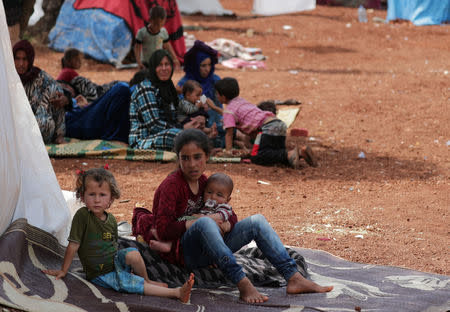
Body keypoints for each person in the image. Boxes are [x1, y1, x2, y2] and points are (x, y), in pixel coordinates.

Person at [132, 129, 333, 303]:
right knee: (205, 224)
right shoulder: (171, 186)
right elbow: (163, 229)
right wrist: (198, 222)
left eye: (197, 157)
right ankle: (242, 282)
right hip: (184, 252)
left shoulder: (204, 181)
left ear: (207, 157)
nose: (192, 164)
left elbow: (228, 211)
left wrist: (227, 225)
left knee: (257, 221)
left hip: (210, 246)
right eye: (185, 158)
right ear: (178, 159)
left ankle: (293, 277)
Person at [42, 167, 195, 303]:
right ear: (82, 197)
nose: (96, 200)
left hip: (114, 261)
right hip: (100, 272)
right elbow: (74, 244)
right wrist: (63, 270)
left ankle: (146, 280)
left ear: (111, 199)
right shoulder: (82, 216)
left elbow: (114, 245)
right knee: (128, 283)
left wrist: (121, 265)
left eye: (102, 195)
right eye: (91, 194)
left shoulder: (111, 220)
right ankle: (175, 293)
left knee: (133, 254)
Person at [216, 77, 318, 168]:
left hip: (268, 128)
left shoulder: (229, 111)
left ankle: (293, 153)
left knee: (259, 157)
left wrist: (228, 152)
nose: (216, 97)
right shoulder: (241, 101)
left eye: (217, 94)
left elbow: (229, 133)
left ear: (223, 97)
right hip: (278, 123)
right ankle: (300, 154)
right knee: (275, 154)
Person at [129, 49, 199, 151]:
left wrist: (193, 122)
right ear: (153, 68)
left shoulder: (169, 87)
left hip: (165, 133)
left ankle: (201, 148)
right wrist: (183, 128)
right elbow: (154, 125)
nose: (164, 68)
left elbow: (175, 117)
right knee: (179, 136)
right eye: (159, 65)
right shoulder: (146, 88)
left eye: (167, 64)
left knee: (198, 132)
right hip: (143, 140)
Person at [147, 172, 234, 253]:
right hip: (196, 224)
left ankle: (171, 246)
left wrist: (201, 219)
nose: (213, 197)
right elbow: (190, 219)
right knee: (183, 224)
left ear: (227, 200)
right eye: (209, 192)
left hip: (212, 232)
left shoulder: (224, 207)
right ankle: (169, 243)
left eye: (219, 195)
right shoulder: (204, 205)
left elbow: (221, 216)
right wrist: (186, 219)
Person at [13, 39, 68, 144]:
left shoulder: (39, 76)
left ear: (30, 59)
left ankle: (59, 135)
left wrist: (65, 99)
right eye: (17, 59)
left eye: (24, 59)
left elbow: (58, 89)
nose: (21, 64)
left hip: (41, 126)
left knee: (55, 91)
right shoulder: (8, 78)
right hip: (17, 128)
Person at [177, 40, 226, 148]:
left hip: (214, 123)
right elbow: (182, 107)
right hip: (192, 123)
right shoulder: (184, 84)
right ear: (195, 66)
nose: (207, 69)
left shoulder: (215, 80)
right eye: (203, 65)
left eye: (209, 65)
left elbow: (219, 106)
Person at [134, 5, 180, 70]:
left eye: (161, 25)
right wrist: (139, 62)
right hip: (146, 63)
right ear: (150, 20)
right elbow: (137, 47)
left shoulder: (163, 32)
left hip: (159, 62)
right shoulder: (142, 32)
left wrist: (175, 58)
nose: (158, 27)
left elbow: (167, 45)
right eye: (156, 24)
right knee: (146, 78)